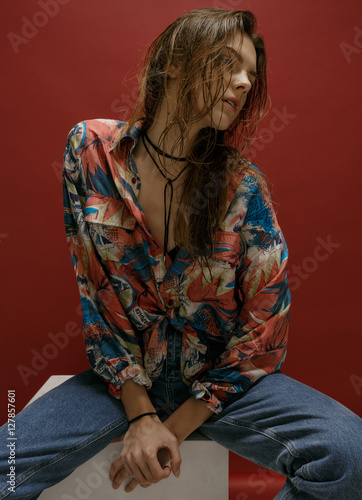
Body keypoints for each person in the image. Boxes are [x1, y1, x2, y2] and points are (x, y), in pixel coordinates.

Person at [0, 8, 361, 500]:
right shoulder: (91, 152)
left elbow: (265, 329)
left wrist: (176, 424)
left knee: (350, 453)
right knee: (8, 460)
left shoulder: (243, 187)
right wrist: (142, 414)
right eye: (229, 63)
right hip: (125, 384)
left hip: (224, 390)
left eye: (252, 75)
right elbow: (97, 296)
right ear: (173, 62)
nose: (243, 83)